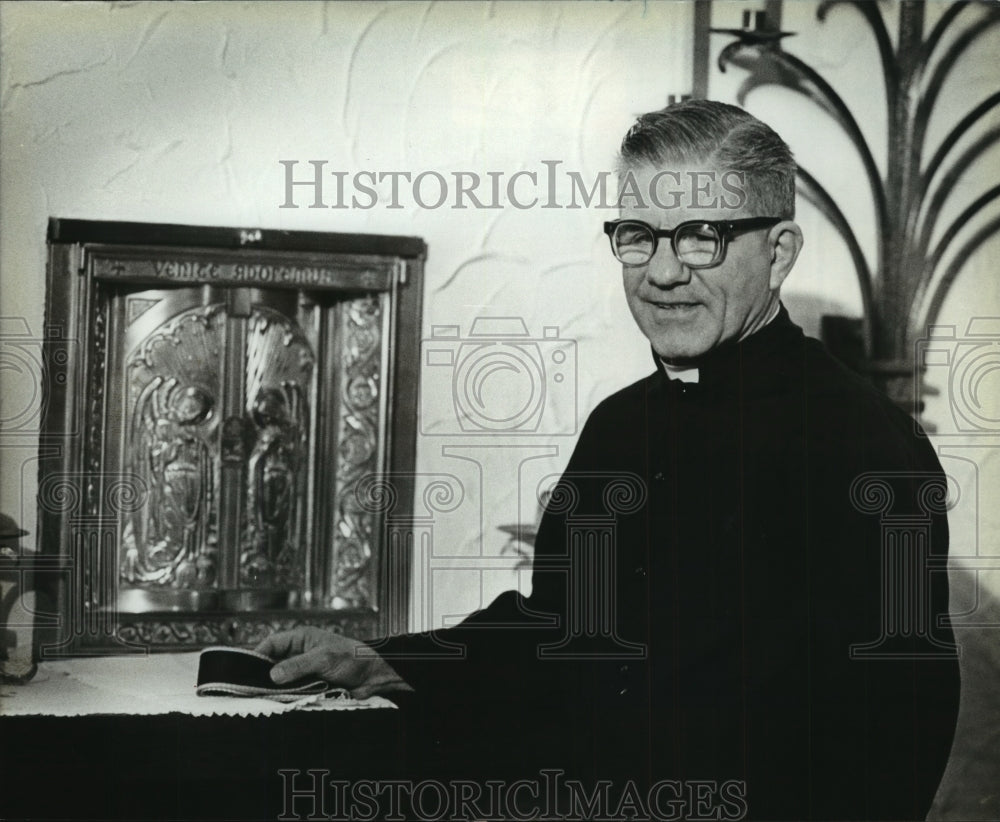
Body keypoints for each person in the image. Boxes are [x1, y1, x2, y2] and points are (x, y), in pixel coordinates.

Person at [257, 100, 960, 820]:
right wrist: (385, 660)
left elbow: (896, 735)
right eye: (638, 237)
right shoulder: (621, 425)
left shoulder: (866, 446)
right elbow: (563, 629)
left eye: (701, 238)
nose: (662, 272)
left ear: (778, 253)